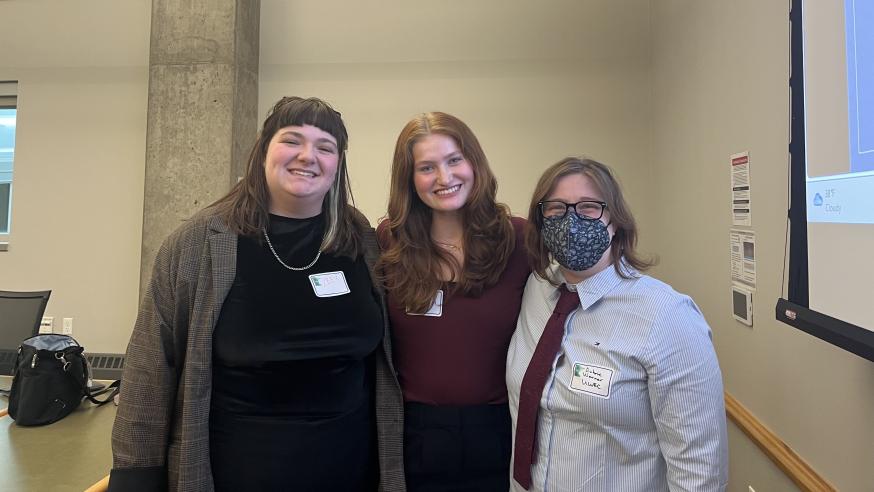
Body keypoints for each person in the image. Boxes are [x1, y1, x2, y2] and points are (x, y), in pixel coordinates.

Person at [109, 97, 404, 492]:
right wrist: (135, 475)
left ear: (338, 163)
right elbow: (150, 366)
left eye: (324, 146)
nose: (307, 156)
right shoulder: (198, 243)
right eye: (292, 140)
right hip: (237, 470)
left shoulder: (359, 239)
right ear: (263, 150)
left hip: (350, 469)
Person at [507, 157, 728, 491]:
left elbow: (699, 472)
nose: (571, 221)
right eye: (556, 209)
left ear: (615, 221)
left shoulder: (667, 317)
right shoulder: (535, 290)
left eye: (588, 207)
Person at [375, 112, 530, 491]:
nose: (444, 178)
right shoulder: (389, 242)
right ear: (409, 180)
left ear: (473, 162)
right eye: (427, 167)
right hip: (413, 436)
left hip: (497, 431)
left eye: (454, 160)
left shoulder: (519, 240)